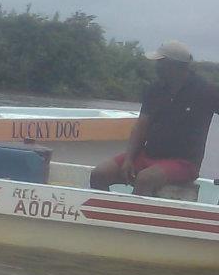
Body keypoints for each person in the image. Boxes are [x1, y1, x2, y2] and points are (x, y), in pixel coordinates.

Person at [90, 41, 219, 196]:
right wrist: (129, 159)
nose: (156, 67)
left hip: (184, 163)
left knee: (145, 179)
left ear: (175, 66)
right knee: (100, 173)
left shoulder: (206, 91)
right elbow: (140, 128)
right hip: (149, 155)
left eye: (160, 63)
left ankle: (135, 219)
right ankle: (107, 216)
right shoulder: (154, 90)